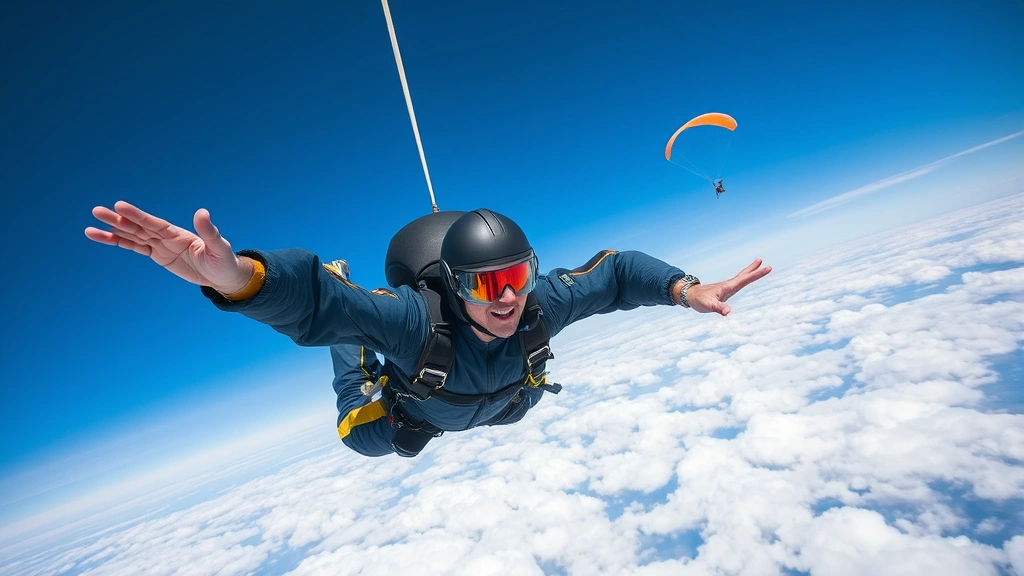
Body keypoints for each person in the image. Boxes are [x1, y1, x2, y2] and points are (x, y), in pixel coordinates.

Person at [86, 201, 771, 457]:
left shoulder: (538, 306)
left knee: (505, 390)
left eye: (516, 277)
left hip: (503, 402)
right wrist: (238, 279)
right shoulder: (416, 323)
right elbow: (317, 303)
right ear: (452, 285)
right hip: (415, 416)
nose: (505, 300)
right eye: (485, 285)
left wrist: (686, 289)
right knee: (363, 409)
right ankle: (356, 353)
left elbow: (615, 274)